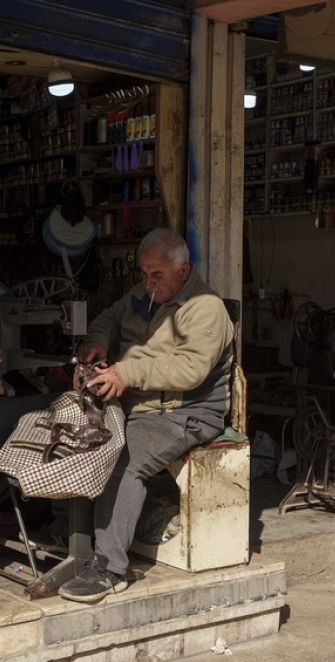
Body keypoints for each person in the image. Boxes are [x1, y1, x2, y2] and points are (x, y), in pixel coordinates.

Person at [59, 228, 234, 603]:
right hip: (141, 404)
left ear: (183, 271)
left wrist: (127, 374)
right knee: (73, 433)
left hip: (187, 411)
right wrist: (97, 340)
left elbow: (190, 370)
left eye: (157, 275)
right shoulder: (144, 295)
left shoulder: (206, 308)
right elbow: (110, 315)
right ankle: (74, 538)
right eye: (143, 273)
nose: (147, 283)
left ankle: (109, 567)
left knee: (124, 460)